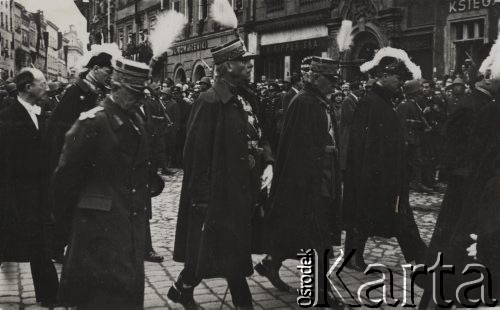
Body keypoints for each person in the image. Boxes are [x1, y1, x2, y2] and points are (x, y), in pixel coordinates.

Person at [169, 37, 264, 310]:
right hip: (218, 194)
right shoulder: (209, 101)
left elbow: (258, 135)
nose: (248, 67)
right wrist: (201, 198)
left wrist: (265, 159)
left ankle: (182, 289)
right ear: (227, 66)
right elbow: (195, 154)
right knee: (229, 254)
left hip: (240, 189)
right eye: (243, 62)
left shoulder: (243, 99)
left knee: (213, 249)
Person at [52, 59, 151, 309]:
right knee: (100, 299)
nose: (141, 99)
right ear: (116, 87)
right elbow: (64, 182)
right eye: (135, 93)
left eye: (143, 93)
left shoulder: (135, 119)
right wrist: (73, 229)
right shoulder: (93, 122)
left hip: (128, 224)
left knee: (126, 295)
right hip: (97, 234)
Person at [255, 57, 343, 307]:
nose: (335, 85)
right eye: (331, 79)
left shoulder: (318, 102)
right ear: (316, 78)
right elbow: (296, 150)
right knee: (317, 239)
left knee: (303, 232)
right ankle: (317, 292)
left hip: (322, 180)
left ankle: (271, 263)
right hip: (308, 184)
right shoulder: (304, 103)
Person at [418, 70, 500, 308]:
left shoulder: (486, 105)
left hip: (476, 189)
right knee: (456, 259)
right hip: (470, 191)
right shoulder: (479, 107)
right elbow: (458, 146)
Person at [343, 48, 428, 270]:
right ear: (383, 76)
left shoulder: (383, 100)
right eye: (398, 78)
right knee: (369, 214)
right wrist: (371, 175)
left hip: (387, 172)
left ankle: (419, 255)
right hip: (375, 173)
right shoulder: (371, 102)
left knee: (391, 214)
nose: (401, 82)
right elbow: (365, 144)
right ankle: (419, 256)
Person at [0, 68, 59, 307]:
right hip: (14, 195)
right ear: (28, 88)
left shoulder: (40, 113)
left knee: (41, 243)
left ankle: (50, 295)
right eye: (42, 83)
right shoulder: (7, 118)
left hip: (37, 194)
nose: (46, 86)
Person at [397, 80, 433, 193]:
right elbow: (402, 124)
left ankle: (417, 183)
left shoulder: (413, 103)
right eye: (418, 89)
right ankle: (412, 183)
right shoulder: (405, 105)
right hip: (410, 138)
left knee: (417, 161)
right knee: (409, 162)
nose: (421, 90)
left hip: (415, 137)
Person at [339, 81, 364, 174]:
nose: (362, 90)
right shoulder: (348, 100)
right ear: (355, 89)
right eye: (360, 88)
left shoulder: (355, 99)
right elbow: (351, 117)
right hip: (348, 131)